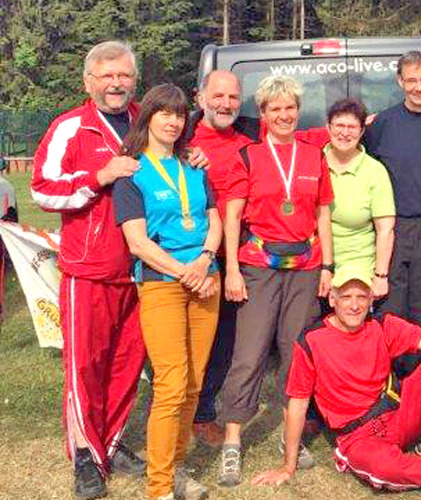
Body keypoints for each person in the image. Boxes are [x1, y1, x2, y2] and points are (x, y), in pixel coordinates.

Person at [250, 269, 421, 494]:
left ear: (370, 299)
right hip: (358, 437)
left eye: (361, 297)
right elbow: (297, 404)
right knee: (384, 470)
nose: (354, 305)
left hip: (397, 415)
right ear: (332, 299)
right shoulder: (310, 341)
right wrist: (288, 466)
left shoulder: (381, 325)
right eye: (346, 297)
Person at [30, 40, 148, 499]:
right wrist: (98, 177)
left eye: (124, 75)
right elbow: (42, 190)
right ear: (89, 82)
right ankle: (84, 455)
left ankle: (112, 443)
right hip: (89, 268)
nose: (117, 83)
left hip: (142, 267)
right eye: (107, 76)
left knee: (127, 365)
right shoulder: (70, 128)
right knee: (86, 366)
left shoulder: (146, 120)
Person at [219, 75, 334, 486]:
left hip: (305, 267)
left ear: (297, 112)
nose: (284, 115)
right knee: (249, 353)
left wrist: (328, 267)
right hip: (258, 265)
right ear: (264, 115)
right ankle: (232, 440)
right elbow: (232, 216)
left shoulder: (313, 155)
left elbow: (323, 215)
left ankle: (293, 436)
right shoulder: (247, 156)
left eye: (290, 109)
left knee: (296, 353)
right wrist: (231, 268)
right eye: (275, 109)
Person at [113, 83, 222, 500]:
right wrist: (184, 271)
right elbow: (137, 243)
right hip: (162, 284)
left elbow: (212, 218)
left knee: (193, 384)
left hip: (204, 277)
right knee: (172, 383)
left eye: (179, 115)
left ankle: (175, 468)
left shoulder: (194, 164)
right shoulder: (131, 170)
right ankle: (157, 489)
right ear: (149, 118)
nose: (174, 121)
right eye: (165, 114)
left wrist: (205, 257)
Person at [186, 70, 255, 446]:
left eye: (232, 97)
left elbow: (299, 137)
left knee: (228, 339)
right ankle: (194, 413)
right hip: (202, 257)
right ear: (200, 99)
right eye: (218, 96)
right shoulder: (186, 141)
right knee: (200, 340)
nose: (226, 104)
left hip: (243, 254)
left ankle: (203, 411)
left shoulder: (249, 140)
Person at [365, 50, 421, 327]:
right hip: (392, 228)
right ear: (400, 82)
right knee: (389, 308)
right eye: (412, 80)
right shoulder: (382, 124)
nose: (419, 87)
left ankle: (420, 369)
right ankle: (390, 369)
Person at [324, 98, 395, 297]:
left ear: (362, 131)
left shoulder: (375, 171)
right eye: (339, 125)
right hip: (316, 267)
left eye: (352, 127)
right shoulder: (313, 163)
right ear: (328, 127)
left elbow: (385, 229)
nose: (345, 133)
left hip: (359, 270)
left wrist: (380, 277)